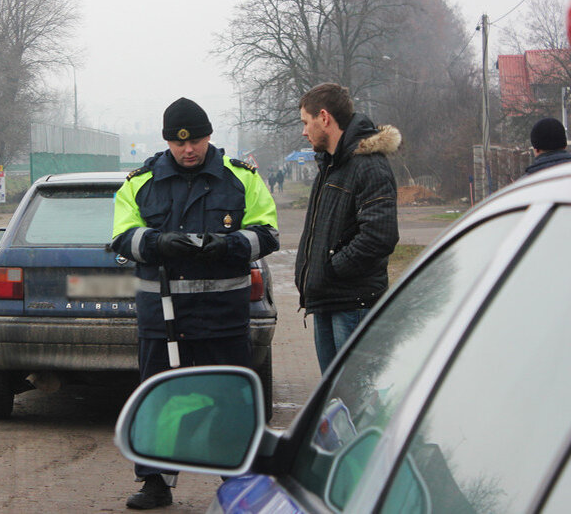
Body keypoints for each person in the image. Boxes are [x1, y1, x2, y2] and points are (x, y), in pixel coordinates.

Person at [112, 97, 279, 510]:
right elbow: (122, 236)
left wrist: (229, 245)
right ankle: (155, 482)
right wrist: (157, 242)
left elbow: (268, 232)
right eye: (179, 143)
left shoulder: (240, 178)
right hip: (163, 317)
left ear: (209, 137)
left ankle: (240, 482)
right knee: (158, 399)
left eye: (196, 141)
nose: (189, 150)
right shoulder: (140, 182)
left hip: (222, 318)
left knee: (229, 400)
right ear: (167, 142)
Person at [294, 83, 400, 374]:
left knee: (355, 391)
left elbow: (380, 235)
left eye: (306, 122)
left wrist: (332, 268)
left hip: (352, 304)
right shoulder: (331, 165)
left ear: (324, 118)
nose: (304, 131)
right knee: (334, 392)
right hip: (328, 300)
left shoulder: (368, 165)